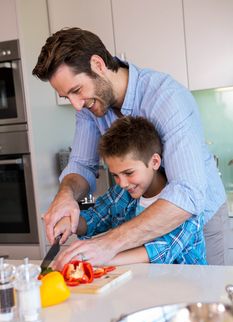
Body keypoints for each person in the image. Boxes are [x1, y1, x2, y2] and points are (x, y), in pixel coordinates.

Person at [32, 27, 229, 266]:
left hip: (200, 219)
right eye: (67, 97)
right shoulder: (89, 108)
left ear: (98, 64)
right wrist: (66, 197)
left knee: (207, 296)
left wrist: (108, 245)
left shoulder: (166, 98)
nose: (75, 104)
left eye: (76, 90)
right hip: (141, 230)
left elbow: (187, 195)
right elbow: (82, 165)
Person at [53, 117, 207, 270]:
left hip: (186, 286)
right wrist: (71, 222)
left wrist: (96, 257)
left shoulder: (184, 206)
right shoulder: (121, 194)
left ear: (154, 162)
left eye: (129, 172)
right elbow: (94, 216)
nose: (123, 183)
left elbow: (159, 252)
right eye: (115, 175)